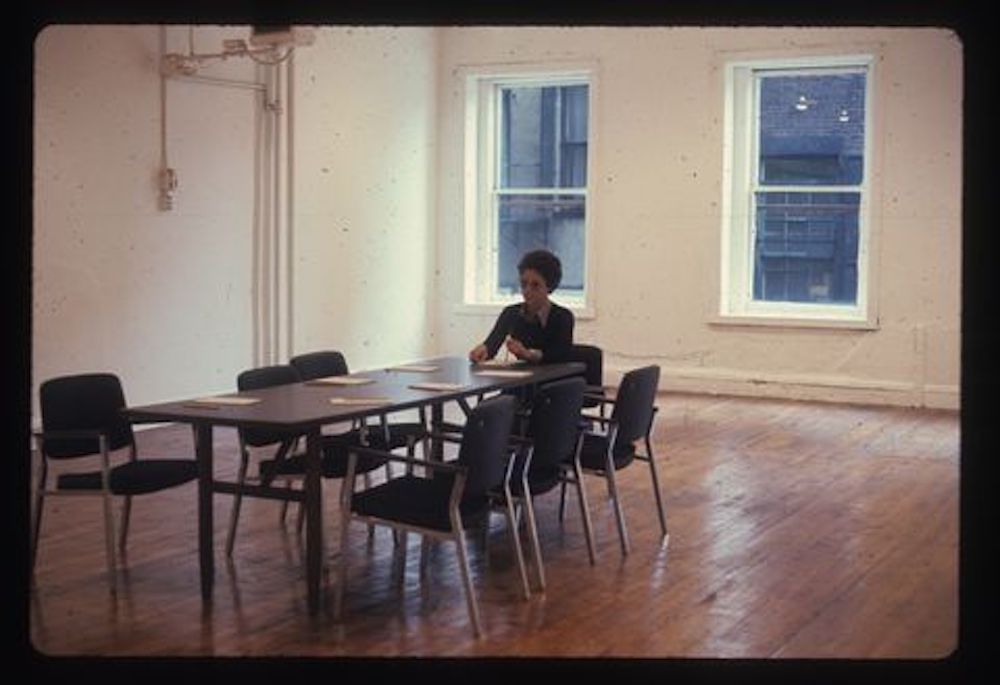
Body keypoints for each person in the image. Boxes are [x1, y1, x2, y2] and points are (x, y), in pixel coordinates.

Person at [469, 249, 574, 365]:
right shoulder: (511, 313)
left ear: (549, 286)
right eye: (523, 284)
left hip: (553, 380)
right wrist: (483, 351)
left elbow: (560, 355)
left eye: (535, 285)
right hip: (524, 378)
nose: (527, 291)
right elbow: (492, 345)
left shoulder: (563, 317)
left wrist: (528, 354)